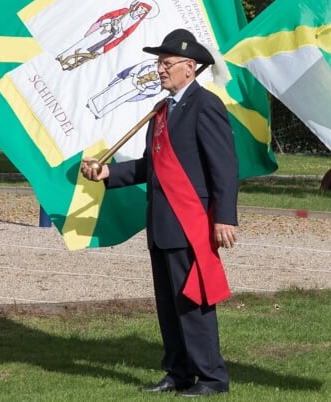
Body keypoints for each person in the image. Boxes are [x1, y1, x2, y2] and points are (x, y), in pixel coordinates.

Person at [81, 29, 237, 397]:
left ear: (190, 67)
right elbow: (153, 165)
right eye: (159, 63)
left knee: (192, 301)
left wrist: (225, 217)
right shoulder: (163, 110)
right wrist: (108, 173)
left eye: (166, 64)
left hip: (189, 220)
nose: (160, 69)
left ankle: (212, 377)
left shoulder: (205, 104)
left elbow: (224, 166)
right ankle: (178, 372)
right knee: (168, 304)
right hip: (163, 222)